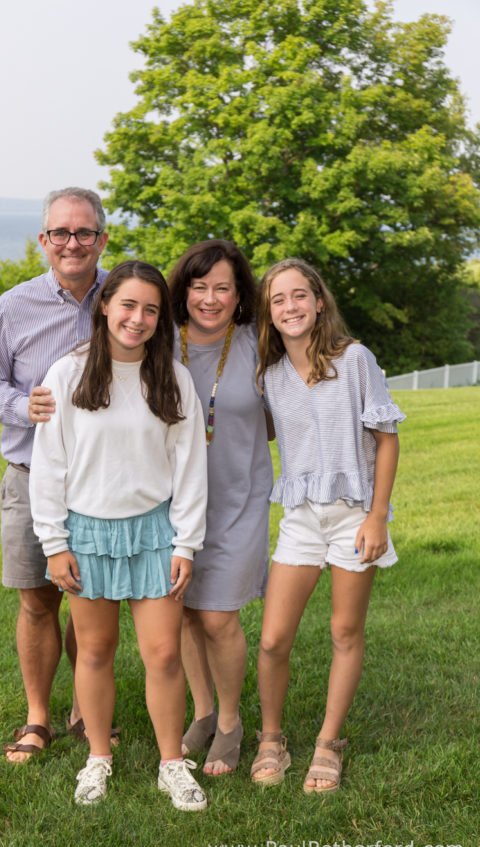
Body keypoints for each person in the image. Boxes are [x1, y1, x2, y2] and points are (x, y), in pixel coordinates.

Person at [29, 260, 209, 810]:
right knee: (95, 651)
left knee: (162, 655)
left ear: (162, 318)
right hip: (85, 534)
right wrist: (54, 544)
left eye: (151, 309)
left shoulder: (173, 379)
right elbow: (49, 465)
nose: (138, 318)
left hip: (155, 534)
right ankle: (97, 760)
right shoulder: (67, 374)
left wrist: (185, 544)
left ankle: (172, 764)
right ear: (105, 305)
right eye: (128, 304)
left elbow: (190, 466)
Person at [0, 187, 112, 762]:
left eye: (83, 233)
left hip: (102, 482)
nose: (71, 243)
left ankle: (86, 708)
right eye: (60, 233)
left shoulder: (125, 297)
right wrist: (22, 406)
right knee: (36, 601)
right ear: (43, 240)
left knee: (90, 598)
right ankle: (38, 718)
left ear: (102, 238)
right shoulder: (13, 306)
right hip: (29, 475)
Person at [250, 258, 405, 792]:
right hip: (300, 518)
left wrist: (377, 517)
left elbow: (387, 438)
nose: (290, 307)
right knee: (272, 640)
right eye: (278, 300)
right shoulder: (269, 375)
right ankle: (271, 738)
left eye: (299, 296)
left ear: (318, 302)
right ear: (268, 314)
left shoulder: (355, 359)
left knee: (344, 631)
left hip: (354, 517)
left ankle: (327, 743)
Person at [167, 240, 274, 776]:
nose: (209, 298)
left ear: (239, 295)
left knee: (217, 616)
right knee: (185, 611)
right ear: (183, 289)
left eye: (222, 288)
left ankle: (230, 723)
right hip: (174, 505)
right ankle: (202, 713)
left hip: (240, 499)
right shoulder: (160, 344)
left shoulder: (261, 343)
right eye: (199, 285)